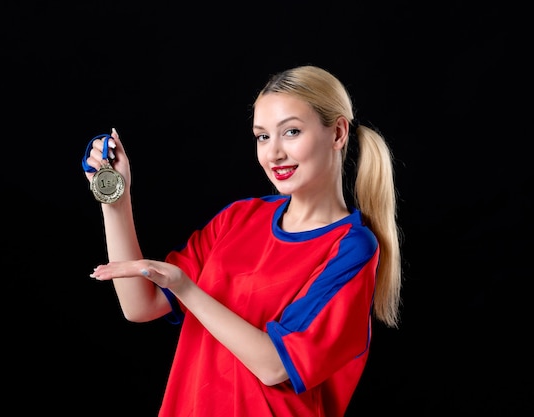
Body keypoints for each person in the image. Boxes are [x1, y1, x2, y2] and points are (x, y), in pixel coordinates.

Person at [83, 65, 402, 417]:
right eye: (262, 137)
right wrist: (115, 201)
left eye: (291, 132)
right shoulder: (238, 219)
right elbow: (140, 305)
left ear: (338, 132)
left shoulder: (351, 247)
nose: (274, 153)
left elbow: (275, 366)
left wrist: (186, 288)